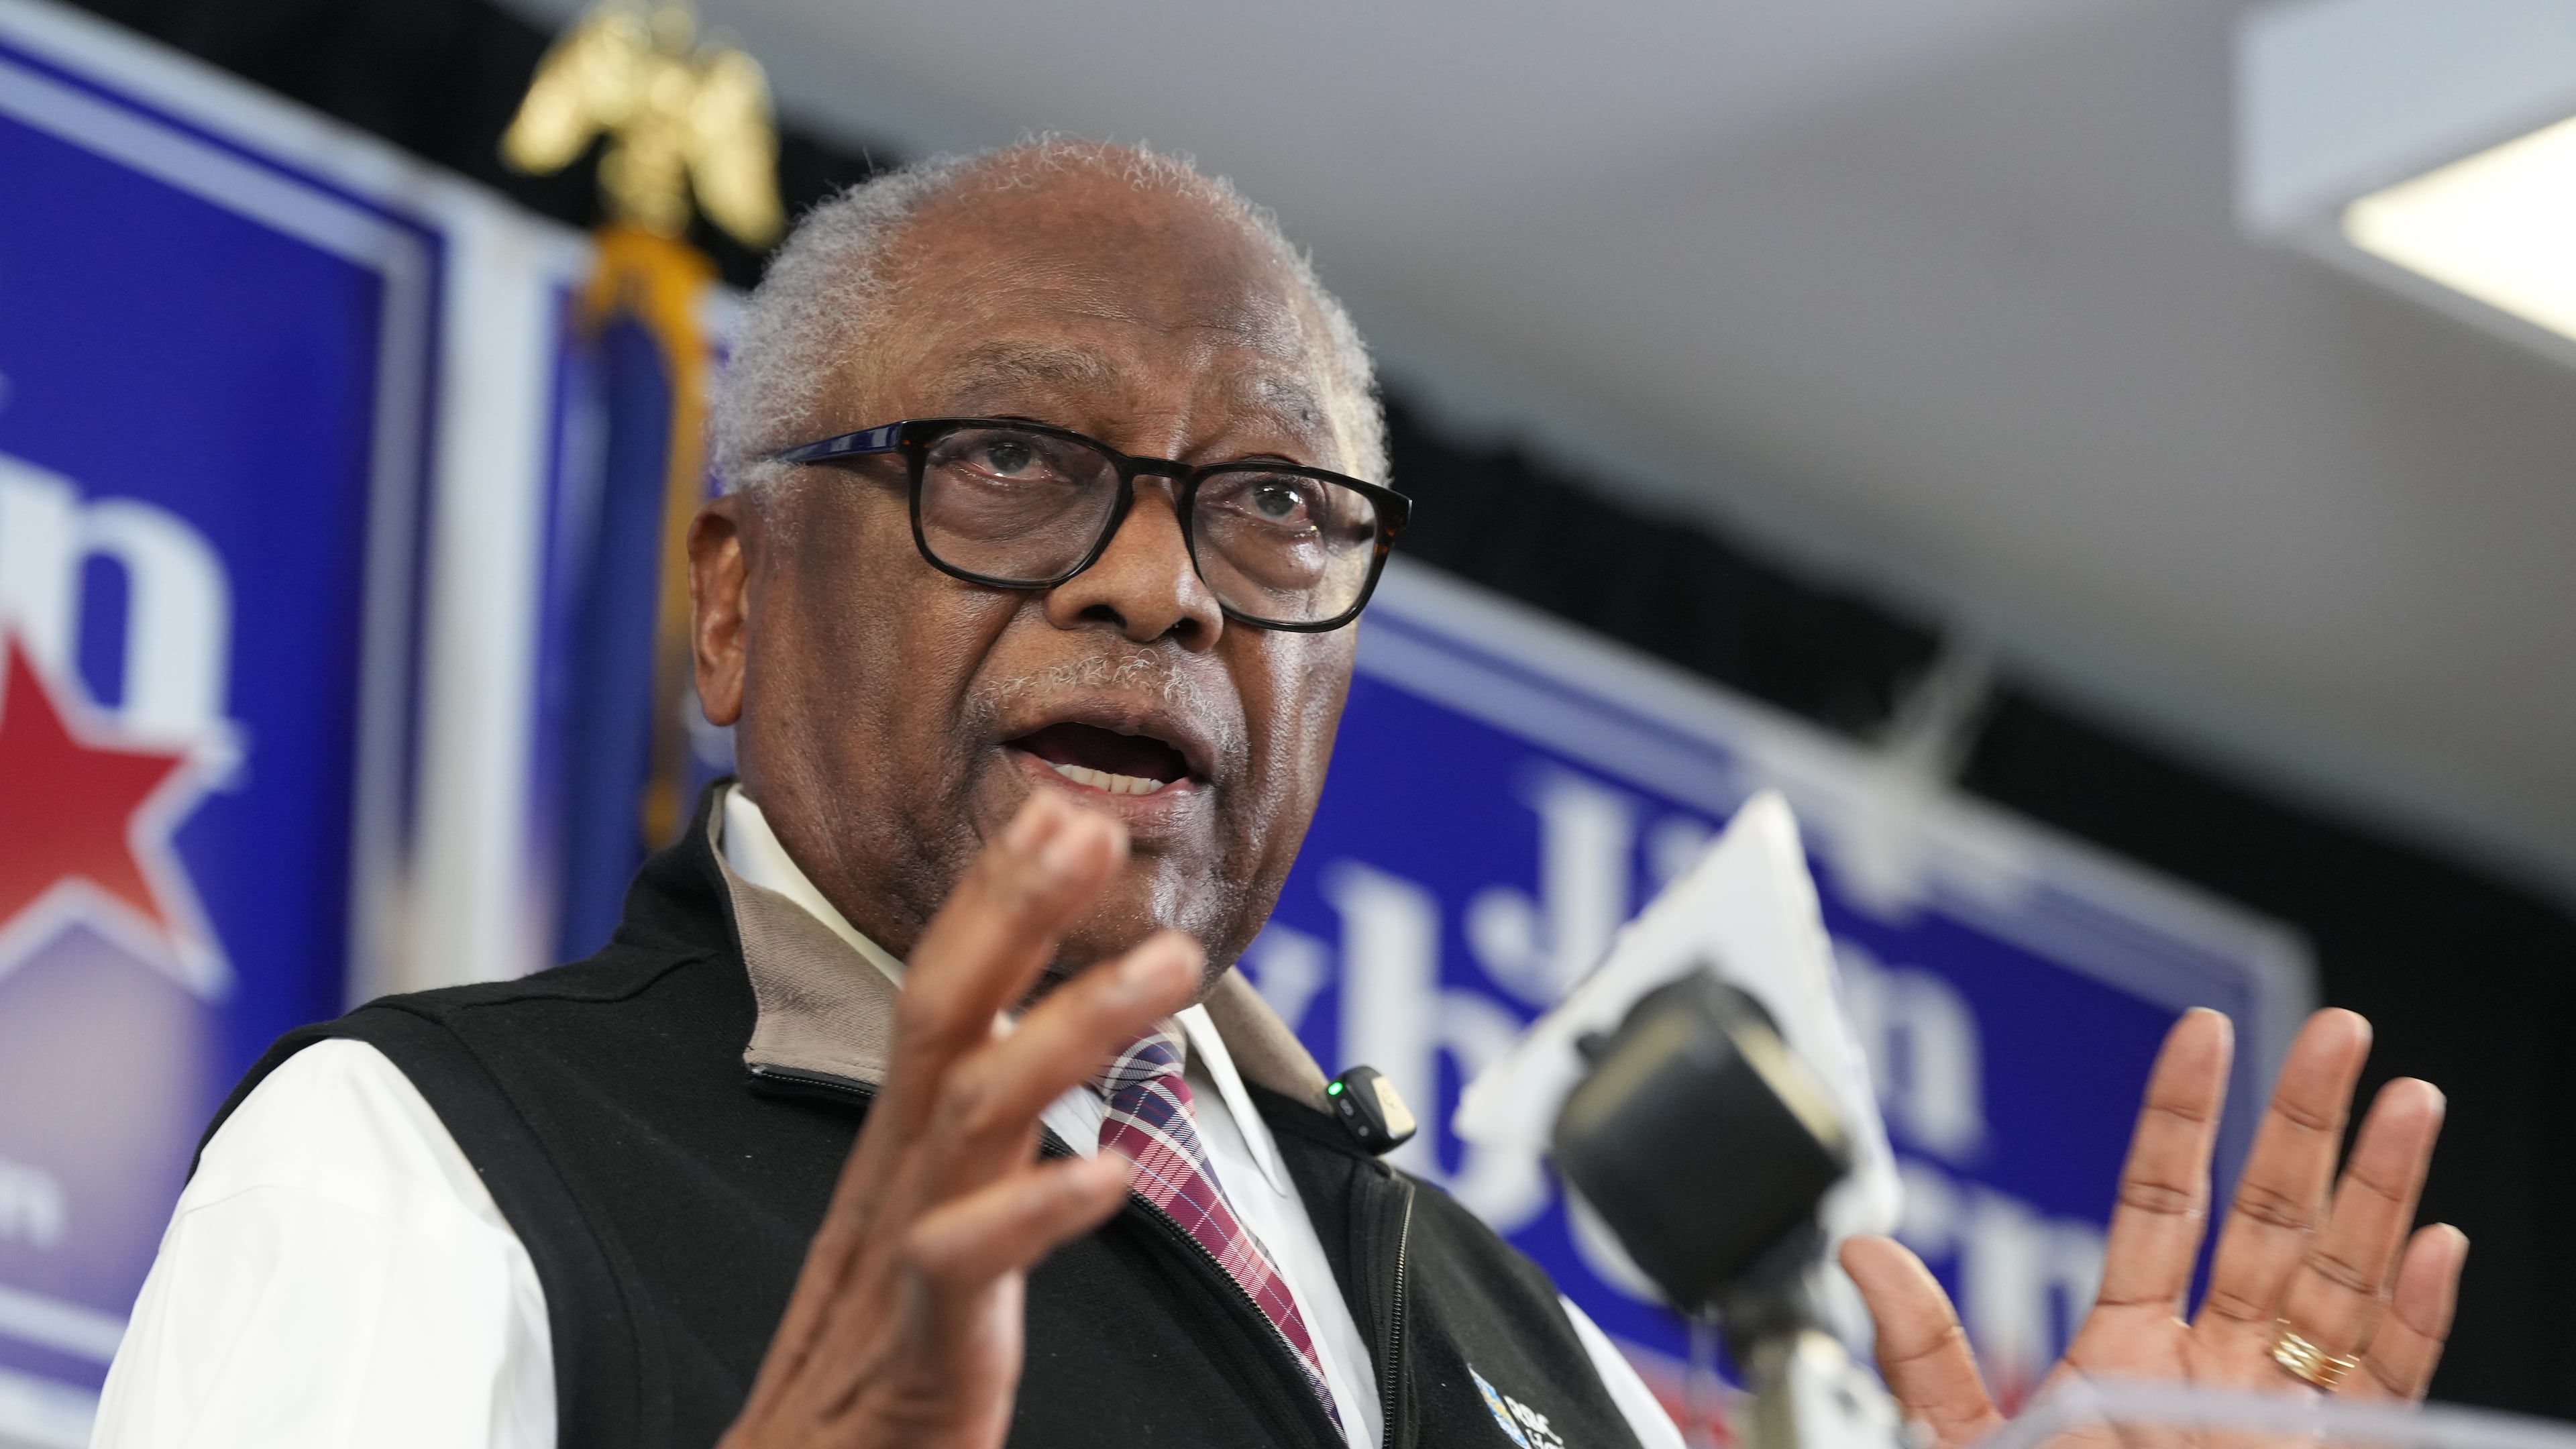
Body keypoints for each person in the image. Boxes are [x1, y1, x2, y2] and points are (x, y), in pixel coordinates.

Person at [92, 140, 2463, 1449]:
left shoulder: (1531, 1362)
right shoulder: (428, 1164)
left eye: (1275, 513)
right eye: (1011, 464)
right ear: (731, 601)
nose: (1160, 584)